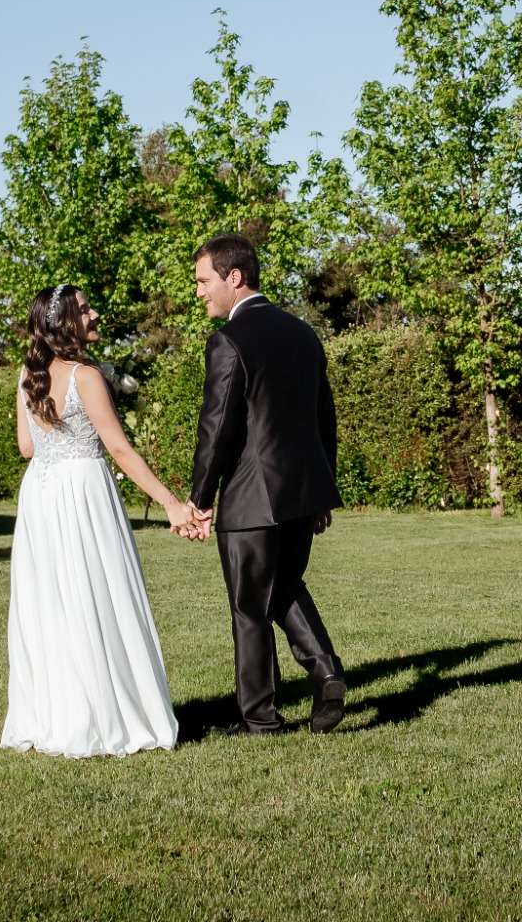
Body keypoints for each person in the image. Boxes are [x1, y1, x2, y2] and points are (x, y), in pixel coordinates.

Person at [1, 283, 206, 757]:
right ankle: (109, 715)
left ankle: (59, 716)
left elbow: (27, 448)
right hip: (84, 491)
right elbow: (119, 448)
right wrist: (171, 503)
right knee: (97, 591)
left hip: (41, 496)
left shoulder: (27, 375)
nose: (94, 314)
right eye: (85, 309)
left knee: (54, 601)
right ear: (64, 322)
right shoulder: (86, 376)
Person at [190, 233, 347, 735]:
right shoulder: (304, 334)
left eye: (204, 281)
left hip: (252, 499)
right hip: (303, 492)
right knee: (283, 589)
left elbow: (217, 430)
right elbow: (325, 417)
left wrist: (199, 499)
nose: (199, 292)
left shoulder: (228, 341)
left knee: (249, 607)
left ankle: (259, 719)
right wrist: (322, 489)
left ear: (233, 277)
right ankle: (327, 674)